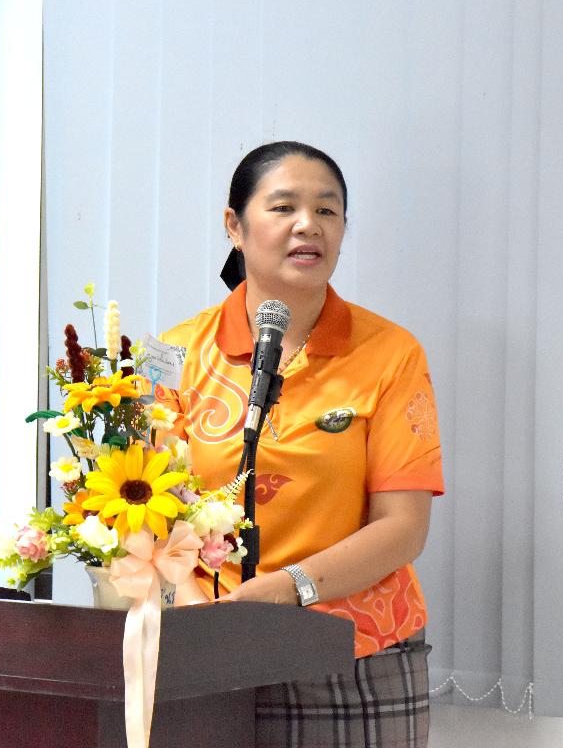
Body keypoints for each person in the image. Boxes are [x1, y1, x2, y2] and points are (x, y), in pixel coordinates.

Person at [157, 141, 445, 748]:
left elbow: (403, 526)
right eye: (283, 206)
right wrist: (194, 610)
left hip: (351, 650)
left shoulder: (390, 353)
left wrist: (290, 588)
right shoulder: (175, 353)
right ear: (234, 226)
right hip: (201, 643)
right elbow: (146, 510)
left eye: (327, 210)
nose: (308, 224)